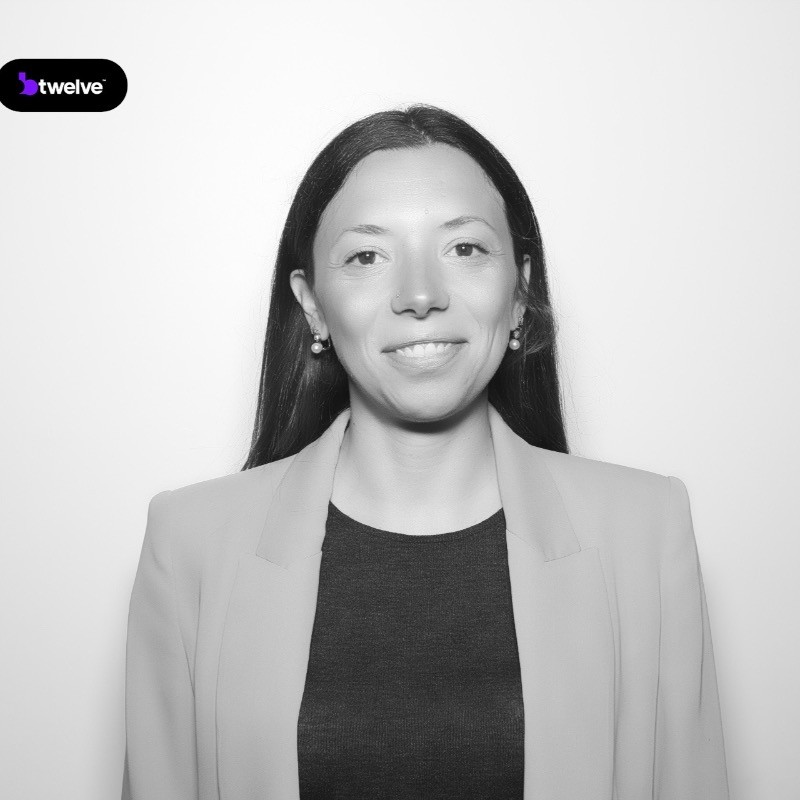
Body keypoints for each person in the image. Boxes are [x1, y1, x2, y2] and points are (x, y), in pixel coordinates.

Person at [122, 104, 730, 800]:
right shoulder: (190, 542)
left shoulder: (647, 530)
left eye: (465, 248)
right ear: (312, 304)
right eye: (366, 256)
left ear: (520, 290)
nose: (420, 295)